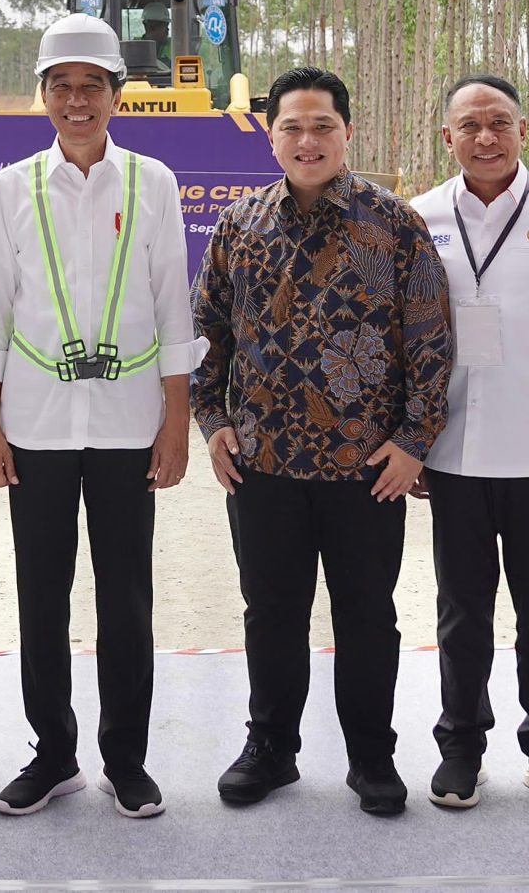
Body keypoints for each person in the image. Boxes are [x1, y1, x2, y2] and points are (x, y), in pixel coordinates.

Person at [193, 66, 453, 817]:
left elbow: (432, 340)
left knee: (368, 613)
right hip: (263, 464)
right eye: (292, 127)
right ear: (271, 134)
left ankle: (372, 755)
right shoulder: (239, 225)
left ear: (347, 131)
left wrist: (413, 441)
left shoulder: (393, 225)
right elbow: (206, 335)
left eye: (323, 126)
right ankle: (271, 746)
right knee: (269, 609)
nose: (308, 141)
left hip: (365, 468)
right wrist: (213, 424)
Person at [0, 15, 197, 820]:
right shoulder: (12, 187)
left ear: (116, 94)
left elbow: (173, 305)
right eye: (61, 85)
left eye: (92, 84)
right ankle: (53, 754)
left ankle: (124, 758)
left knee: (127, 596)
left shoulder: (153, 183)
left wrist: (175, 422)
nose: (76, 98)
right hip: (37, 421)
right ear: (45, 95)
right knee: (41, 594)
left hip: (131, 422)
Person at [408, 76, 529, 815]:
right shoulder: (419, 216)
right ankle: (461, 745)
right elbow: (403, 342)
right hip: (452, 450)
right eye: (470, 125)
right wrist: (413, 439)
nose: (485, 137)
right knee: (461, 609)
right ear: (447, 137)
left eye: (499, 123)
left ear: (524, 129)